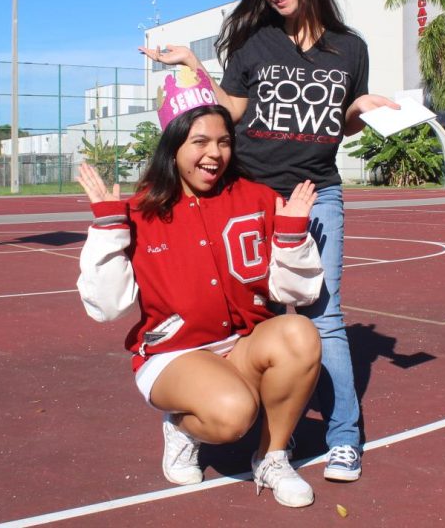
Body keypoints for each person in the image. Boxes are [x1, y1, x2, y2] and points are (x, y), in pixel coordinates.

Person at [139, 0, 397, 483]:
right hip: (251, 192)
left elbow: (341, 122)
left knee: (324, 317)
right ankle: (219, 410)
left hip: (316, 193)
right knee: (249, 313)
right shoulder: (259, 41)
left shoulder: (351, 49)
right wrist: (194, 69)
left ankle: (343, 438)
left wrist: (361, 109)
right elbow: (229, 110)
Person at [76, 68, 325, 508]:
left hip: (243, 342)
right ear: (173, 147)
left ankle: (272, 456)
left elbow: (297, 295)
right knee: (233, 414)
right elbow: (107, 308)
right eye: (200, 142)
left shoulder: (257, 198)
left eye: (224, 141)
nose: (215, 154)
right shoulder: (139, 211)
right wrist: (109, 227)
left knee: (300, 334)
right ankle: (182, 426)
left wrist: (290, 235)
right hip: (174, 353)